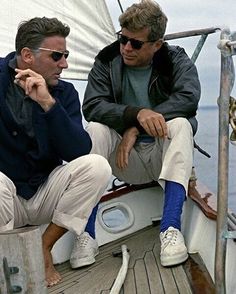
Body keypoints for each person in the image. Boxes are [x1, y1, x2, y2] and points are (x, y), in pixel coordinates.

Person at [82, 0, 201, 267]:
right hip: (126, 161)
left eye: (135, 43)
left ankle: (170, 229)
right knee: (96, 130)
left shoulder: (174, 59)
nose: (126, 47)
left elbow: (188, 98)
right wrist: (135, 114)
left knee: (181, 124)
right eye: (123, 39)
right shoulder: (107, 60)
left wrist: (135, 126)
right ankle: (86, 234)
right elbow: (91, 105)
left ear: (156, 44)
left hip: (162, 155)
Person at [0, 17, 111, 287]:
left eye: (66, 56)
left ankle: (43, 247)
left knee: (97, 167)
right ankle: (7, 258)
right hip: (6, 198)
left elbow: (79, 151)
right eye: (57, 56)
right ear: (27, 55)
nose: (65, 64)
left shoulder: (64, 93)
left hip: (42, 195)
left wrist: (48, 104)